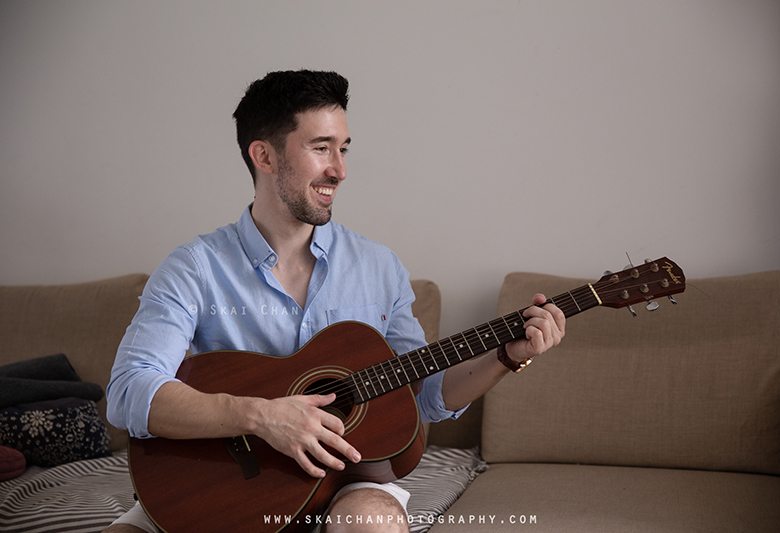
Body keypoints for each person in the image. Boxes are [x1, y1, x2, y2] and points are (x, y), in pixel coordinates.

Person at [103, 70, 565, 533]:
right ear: (264, 156)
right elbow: (128, 392)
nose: (340, 170)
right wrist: (261, 417)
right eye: (321, 148)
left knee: (371, 523)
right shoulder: (194, 268)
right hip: (221, 484)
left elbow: (422, 395)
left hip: (350, 479)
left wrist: (505, 357)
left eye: (343, 149)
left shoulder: (378, 266)